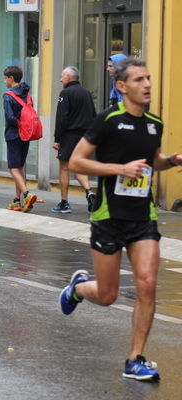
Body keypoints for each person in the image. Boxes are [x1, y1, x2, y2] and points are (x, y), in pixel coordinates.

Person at [60, 58, 182, 382]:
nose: (147, 85)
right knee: (108, 295)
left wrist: (171, 160)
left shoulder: (154, 123)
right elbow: (76, 162)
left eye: (149, 78)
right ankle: (79, 288)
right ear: (122, 86)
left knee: (148, 284)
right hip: (109, 215)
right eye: (140, 79)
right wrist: (119, 169)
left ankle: (135, 359)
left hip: (142, 217)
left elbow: (153, 160)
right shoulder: (107, 121)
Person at [52, 66, 97, 213]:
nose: (60, 79)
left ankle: (64, 202)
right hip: (85, 137)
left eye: (62, 76)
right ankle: (89, 192)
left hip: (69, 136)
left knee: (64, 167)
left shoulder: (65, 93)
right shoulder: (86, 93)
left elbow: (61, 118)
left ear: (69, 78)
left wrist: (57, 138)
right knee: (78, 166)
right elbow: (94, 115)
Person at [2, 66, 37, 213]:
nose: (4, 81)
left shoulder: (8, 95)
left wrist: (17, 125)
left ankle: (27, 194)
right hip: (26, 134)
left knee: (13, 168)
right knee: (19, 167)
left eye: (5, 78)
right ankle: (17, 201)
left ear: (11, 78)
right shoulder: (27, 94)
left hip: (14, 134)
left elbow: (10, 118)